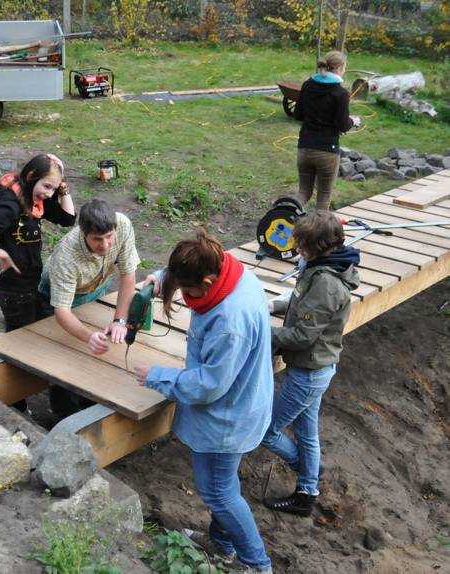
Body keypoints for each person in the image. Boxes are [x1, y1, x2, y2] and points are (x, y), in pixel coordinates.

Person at [133, 230, 274, 574]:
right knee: (224, 484)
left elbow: (210, 386)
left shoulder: (230, 321)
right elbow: (189, 270)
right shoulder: (229, 270)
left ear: (208, 281)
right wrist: (159, 277)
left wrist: (157, 376)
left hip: (228, 416)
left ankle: (258, 564)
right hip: (243, 403)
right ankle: (222, 545)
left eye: (188, 289)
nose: (184, 295)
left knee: (218, 493)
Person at [261, 212, 360, 517]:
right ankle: (307, 492)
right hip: (314, 368)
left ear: (319, 245)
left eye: (302, 244)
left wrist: (265, 333)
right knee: (307, 434)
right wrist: (275, 305)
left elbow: (303, 335)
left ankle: (307, 474)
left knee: (266, 431)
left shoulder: (327, 283)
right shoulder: (320, 267)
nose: (297, 249)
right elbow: (301, 303)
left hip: (309, 371)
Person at [0, 153, 75, 332]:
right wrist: (3, 254)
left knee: (34, 333)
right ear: (31, 176)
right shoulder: (10, 207)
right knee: (21, 340)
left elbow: (67, 219)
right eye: (47, 186)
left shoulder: (34, 201)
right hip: (14, 290)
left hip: (30, 284)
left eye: (53, 189)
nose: (49, 194)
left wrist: (63, 187)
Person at [39, 198, 139, 355]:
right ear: (83, 233)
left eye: (109, 236)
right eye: (97, 239)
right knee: (61, 351)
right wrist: (90, 336)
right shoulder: (65, 256)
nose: (105, 245)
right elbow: (62, 312)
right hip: (61, 295)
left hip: (98, 284)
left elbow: (128, 274)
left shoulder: (123, 225)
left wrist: (119, 321)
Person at [294, 50, 360, 212]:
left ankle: (282, 213)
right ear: (339, 68)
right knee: (323, 198)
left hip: (304, 148)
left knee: (303, 193)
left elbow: (297, 114)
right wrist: (353, 120)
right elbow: (343, 125)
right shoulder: (341, 93)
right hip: (327, 151)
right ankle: (319, 236)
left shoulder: (307, 85)